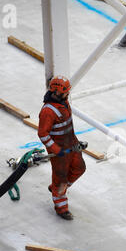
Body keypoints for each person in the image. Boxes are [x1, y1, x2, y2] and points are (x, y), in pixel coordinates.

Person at [38, 75, 86, 220]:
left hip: (71, 145)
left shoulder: (64, 103)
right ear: (57, 92)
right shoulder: (48, 111)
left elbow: (67, 128)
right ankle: (61, 208)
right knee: (61, 178)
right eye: (66, 91)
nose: (68, 93)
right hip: (60, 151)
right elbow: (43, 134)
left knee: (79, 168)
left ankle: (56, 189)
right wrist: (56, 150)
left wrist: (76, 143)